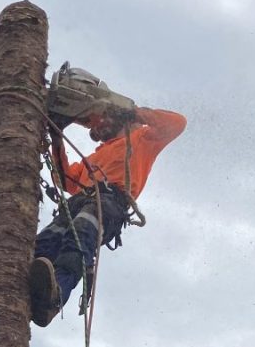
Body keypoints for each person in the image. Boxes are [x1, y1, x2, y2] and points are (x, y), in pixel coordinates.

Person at [28, 101, 187, 327]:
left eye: (105, 118)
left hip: (109, 202)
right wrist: (57, 138)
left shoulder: (142, 139)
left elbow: (178, 123)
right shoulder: (93, 157)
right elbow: (65, 180)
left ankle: (55, 298)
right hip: (77, 203)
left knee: (78, 241)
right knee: (41, 245)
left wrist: (135, 113)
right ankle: (13, 293)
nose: (98, 125)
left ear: (122, 120)